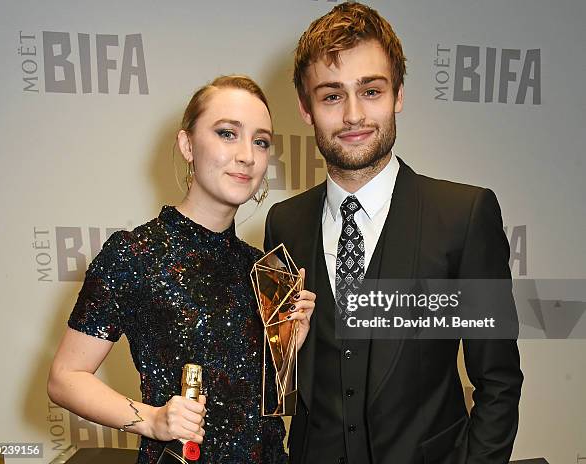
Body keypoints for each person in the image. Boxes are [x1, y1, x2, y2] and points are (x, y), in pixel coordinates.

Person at [264, 3, 523, 464]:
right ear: (305, 109)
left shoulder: (463, 215)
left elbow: (498, 382)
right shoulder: (283, 223)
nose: (353, 115)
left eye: (371, 91)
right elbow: (282, 378)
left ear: (398, 94)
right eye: (331, 96)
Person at [48, 75, 315, 463]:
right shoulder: (135, 254)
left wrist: (289, 345)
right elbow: (65, 379)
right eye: (227, 134)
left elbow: (262, 409)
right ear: (187, 144)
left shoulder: (264, 267)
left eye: (260, 141)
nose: (247, 155)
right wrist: (152, 421)